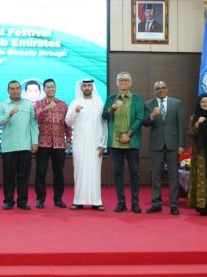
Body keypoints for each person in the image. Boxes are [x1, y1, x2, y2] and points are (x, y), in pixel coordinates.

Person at [102, 72, 145, 213]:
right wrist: (112, 108)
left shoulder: (136, 98)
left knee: (134, 173)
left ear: (130, 83)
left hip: (131, 142)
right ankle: (121, 202)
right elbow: (104, 115)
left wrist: (129, 134)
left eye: (126, 80)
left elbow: (140, 117)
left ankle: (135, 203)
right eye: (121, 80)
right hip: (115, 143)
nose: (123, 83)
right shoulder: (111, 99)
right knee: (117, 173)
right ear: (117, 83)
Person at [142, 81, 186, 215]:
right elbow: (144, 122)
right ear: (154, 91)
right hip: (156, 145)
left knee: (173, 176)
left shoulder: (176, 103)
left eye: (163, 88)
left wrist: (181, 144)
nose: (160, 90)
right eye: (158, 88)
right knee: (156, 176)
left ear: (167, 89)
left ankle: (174, 205)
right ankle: (156, 204)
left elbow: (181, 125)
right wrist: (152, 115)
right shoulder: (148, 104)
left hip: (173, 145)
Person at [66, 79, 108, 210]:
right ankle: (78, 201)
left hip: (96, 143)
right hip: (79, 143)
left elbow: (104, 125)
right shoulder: (75, 103)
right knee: (79, 171)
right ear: (81, 88)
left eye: (89, 85)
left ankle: (97, 202)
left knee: (95, 172)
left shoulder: (99, 103)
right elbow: (68, 122)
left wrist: (103, 144)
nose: (87, 87)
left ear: (92, 87)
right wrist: (75, 111)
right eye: (84, 86)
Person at [0, 80, 39, 210]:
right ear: (8, 91)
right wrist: (9, 114)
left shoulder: (28, 105)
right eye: (12, 89)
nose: (15, 91)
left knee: (24, 176)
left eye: (17, 88)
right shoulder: (2, 105)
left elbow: (33, 125)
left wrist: (35, 142)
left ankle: (22, 201)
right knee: (9, 176)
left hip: (25, 146)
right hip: (9, 146)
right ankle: (8, 201)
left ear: (21, 90)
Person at [33, 78, 71, 209]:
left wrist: (68, 140)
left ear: (56, 88)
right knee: (41, 171)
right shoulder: (39, 103)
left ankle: (58, 199)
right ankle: (40, 199)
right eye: (48, 87)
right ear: (44, 89)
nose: (50, 89)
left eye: (52, 87)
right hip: (43, 143)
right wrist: (46, 108)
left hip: (59, 143)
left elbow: (67, 124)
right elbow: (35, 117)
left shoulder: (63, 104)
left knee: (58, 172)